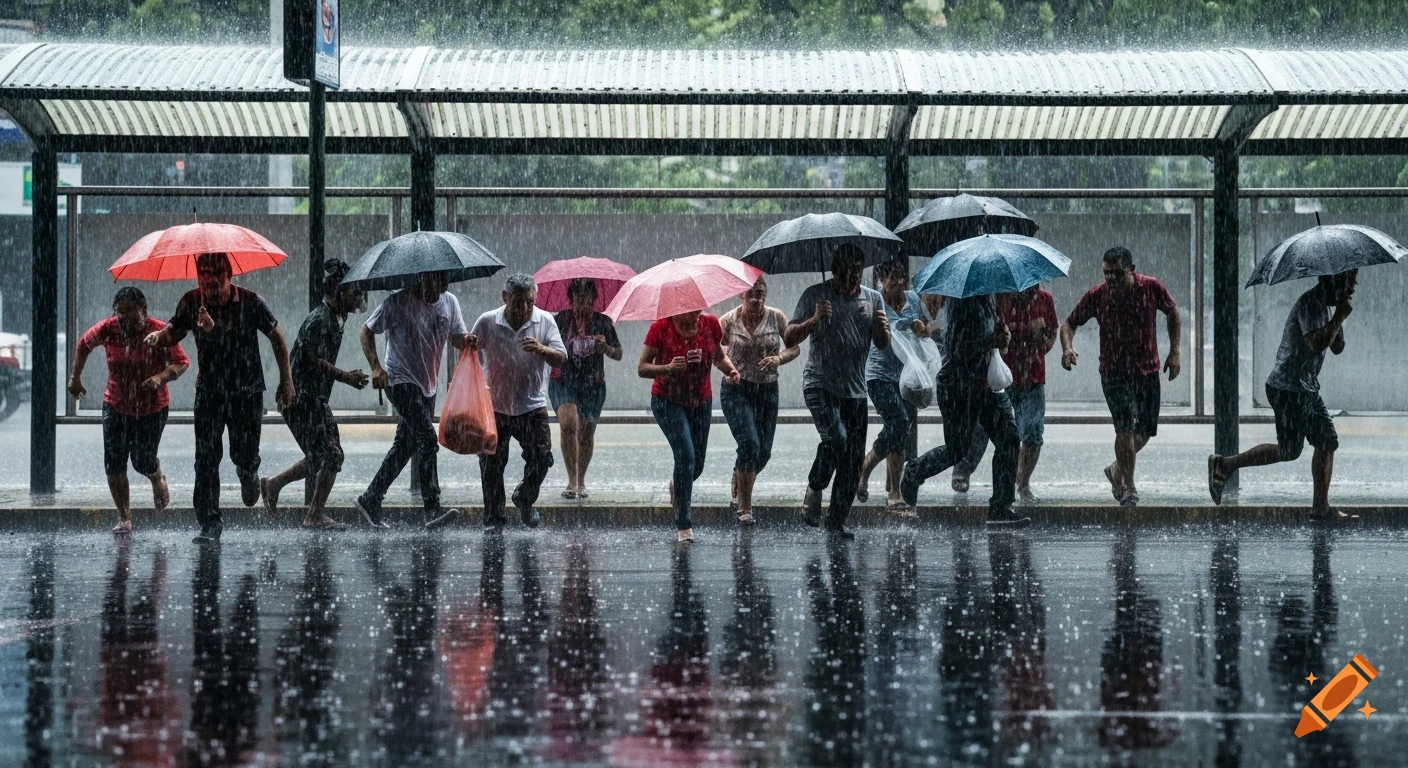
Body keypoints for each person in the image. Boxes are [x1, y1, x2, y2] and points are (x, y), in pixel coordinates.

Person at [144, 252, 294, 543]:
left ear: (230, 278)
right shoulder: (191, 302)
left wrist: (286, 380)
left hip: (246, 392)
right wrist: (159, 337)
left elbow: (277, 337)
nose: (211, 290)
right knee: (206, 459)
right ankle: (209, 523)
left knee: (244, 453)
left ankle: (248, 472)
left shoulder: (251, 302)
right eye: (205, 283)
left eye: (217, 283)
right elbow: (175, 331)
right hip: (210, 393)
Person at [1208, 271, 1358, 521]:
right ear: (1334, 279)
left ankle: (1320, 509)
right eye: (1350, 279)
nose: (1354, 286)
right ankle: (1224, 464)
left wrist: (1338, 319)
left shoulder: (1327, 306)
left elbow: (1337, 348)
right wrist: (1340, 316)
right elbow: (1315, 344)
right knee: (1290, 450)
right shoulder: (1310, 304)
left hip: (1306, 387)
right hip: (1288, 389)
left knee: (1326, 442)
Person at [1059, 247, 1181, 507]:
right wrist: (1067, 348)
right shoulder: (1098, 294)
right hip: (1113, 371)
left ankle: (1116, 469)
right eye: (1106, 273)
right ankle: (1128, 487)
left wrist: (1175, 351)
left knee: (1144, 431)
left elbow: (1172, 312)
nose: (1110, 279)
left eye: (1116, 273)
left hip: (1147, 369)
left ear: (1132, 270)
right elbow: (1069, 323)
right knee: (1124, 428)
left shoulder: (1151, 288)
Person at [783, 245, 890, 539]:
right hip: (820, 384)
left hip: (855, 390)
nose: (852, 279)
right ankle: (815, 487)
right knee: (836, 438)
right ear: (835, 271)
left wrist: (883, 329)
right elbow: (789, 336)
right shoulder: (815, 294)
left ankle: (836, 522)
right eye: (846, 272)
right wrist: (814, 319)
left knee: (854, 460)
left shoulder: (873, 298)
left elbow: (881, 344)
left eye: (857, 272)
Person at [898, 292, 1029, 527]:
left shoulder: (990, 298)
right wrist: (991, 341)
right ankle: (914, 471)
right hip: (958, 385)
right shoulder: (962, 302)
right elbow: (958, 349)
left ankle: (1000, 507)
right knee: (957, 449)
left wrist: (1002, 337)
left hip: (985, 384)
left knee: (1009, 437)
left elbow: (993, 340)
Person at [354, 270, 472, 530]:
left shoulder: (449, 302)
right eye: (433, 283)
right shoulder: (397, 302)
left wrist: (468, 341)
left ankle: (370, 498)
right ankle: (432, 508)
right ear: (421, 279)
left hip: (428, 385)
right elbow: (366, 331)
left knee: (405, 445)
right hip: (399, 380)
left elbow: (456, 336)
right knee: (428, 439)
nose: (437, 290)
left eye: (443, 283)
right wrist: (376, 367)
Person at [259, 260, 370, 530]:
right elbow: (314, 360)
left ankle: (274, 486)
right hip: (300, 399)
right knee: (330, 455)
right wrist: (347, 377)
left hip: (311, 398)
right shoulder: (322, 320)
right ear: (340, 291)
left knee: (323, 455)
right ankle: (313, 514)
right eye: (355, 292)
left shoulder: (334, 317)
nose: (360, 299)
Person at [70, 287, 189, 535]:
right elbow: (84, 345)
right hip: (116, 404)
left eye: (129, 312)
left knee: (141, 460)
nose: (123, 318)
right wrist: (75, 378)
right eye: (119, 312)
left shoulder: (160, 331)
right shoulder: (108, 328)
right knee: (114, 462)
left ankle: (157, 478)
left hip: (152, 408)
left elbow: (181, 363)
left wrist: (159, 377)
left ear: (143, 311)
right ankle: (125, 517)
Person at [472, 273, 567, 529]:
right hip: (496, 405)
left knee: (541, 458)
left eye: (529, 302)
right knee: (491, 463)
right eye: (517, 302)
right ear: (505, 298)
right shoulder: (488, 321)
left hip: (531, 405)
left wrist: (541, 348)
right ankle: (494, 518)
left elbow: (561, 357)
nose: (523, 308)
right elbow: (468, 350)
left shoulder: (544, 321)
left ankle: (524, 499)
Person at [639, 308, 741, 543]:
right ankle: (684, 524)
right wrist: (666, 368)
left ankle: (679, 484)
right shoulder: (660, 328)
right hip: (667, 400)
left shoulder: (710, 324)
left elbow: (718, 356)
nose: (695, 315)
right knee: (685, 456)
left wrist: (731, 370)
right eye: (689, 311)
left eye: (697, 310)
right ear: (677, 309)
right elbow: (642, 367)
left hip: (700, 401)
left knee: (697, 464)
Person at [952, 284, 1059, 503]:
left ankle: (1022, 484)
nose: (1031, 289)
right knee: (983, 426)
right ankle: (963, 468)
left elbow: (1051, 336)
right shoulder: (1000, 297)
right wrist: (1002, 336)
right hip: (1002, 375)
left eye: (1035, 284)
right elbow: (990, 334)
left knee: (1033, 431)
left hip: (1033, 377)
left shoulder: (1045, 300)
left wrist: (1040, 336)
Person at [718, 278, 799, 525]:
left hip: (767, 390)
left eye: (761, 294)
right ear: (741, 296)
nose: (756, 299)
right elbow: (715, 349)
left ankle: (739, 476)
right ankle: (744, 507)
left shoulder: (776, 317)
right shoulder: (728, 320)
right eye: (751, 294)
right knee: (749, 443)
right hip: (737, 389)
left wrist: (780, 359)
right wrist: (728, 366)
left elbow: (794, 347)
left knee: (763, 453)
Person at [550, 278, 622, 500]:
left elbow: (618, 354)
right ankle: (571, 481)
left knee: (587, 432)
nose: (582, 304)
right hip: (564, 380)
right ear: (570, 300)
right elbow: (548, 346)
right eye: (578, 299)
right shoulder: (560, 321)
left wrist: (604, 347)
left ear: (594, 300)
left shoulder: (603, 322)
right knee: (569, 424)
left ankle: (581, 480)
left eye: (587, 299)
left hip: (593, 384)